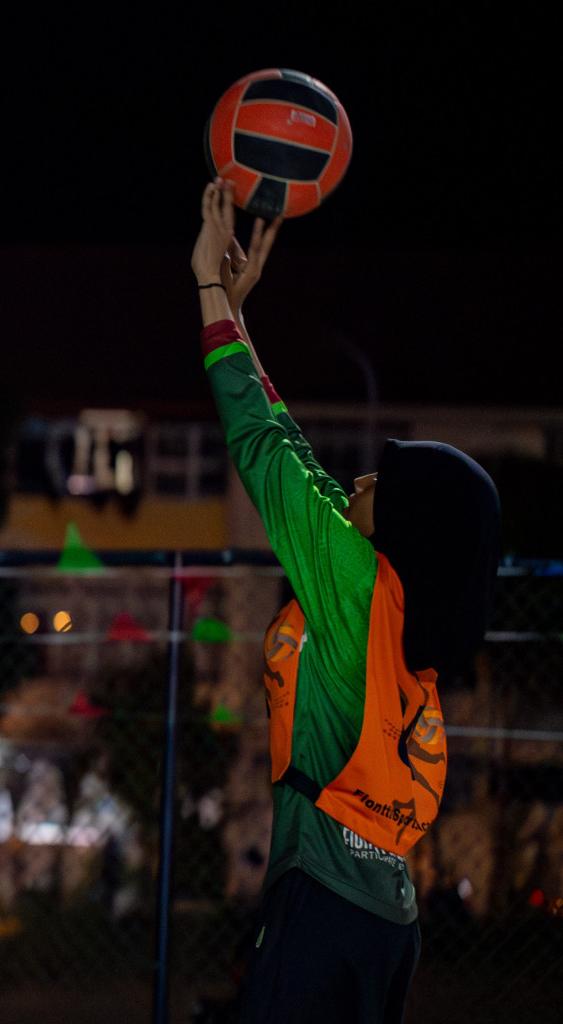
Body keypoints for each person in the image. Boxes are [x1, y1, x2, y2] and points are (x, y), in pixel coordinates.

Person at [191, 181, 500, 1023]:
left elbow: (262, 449)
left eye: (379, 480)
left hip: (322, 906)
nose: (360, 477)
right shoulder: (397, 603)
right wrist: (243, 323)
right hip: (386, 918)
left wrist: (210, 294)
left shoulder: (357, 585)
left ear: (403, 528)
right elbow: (297, 453)